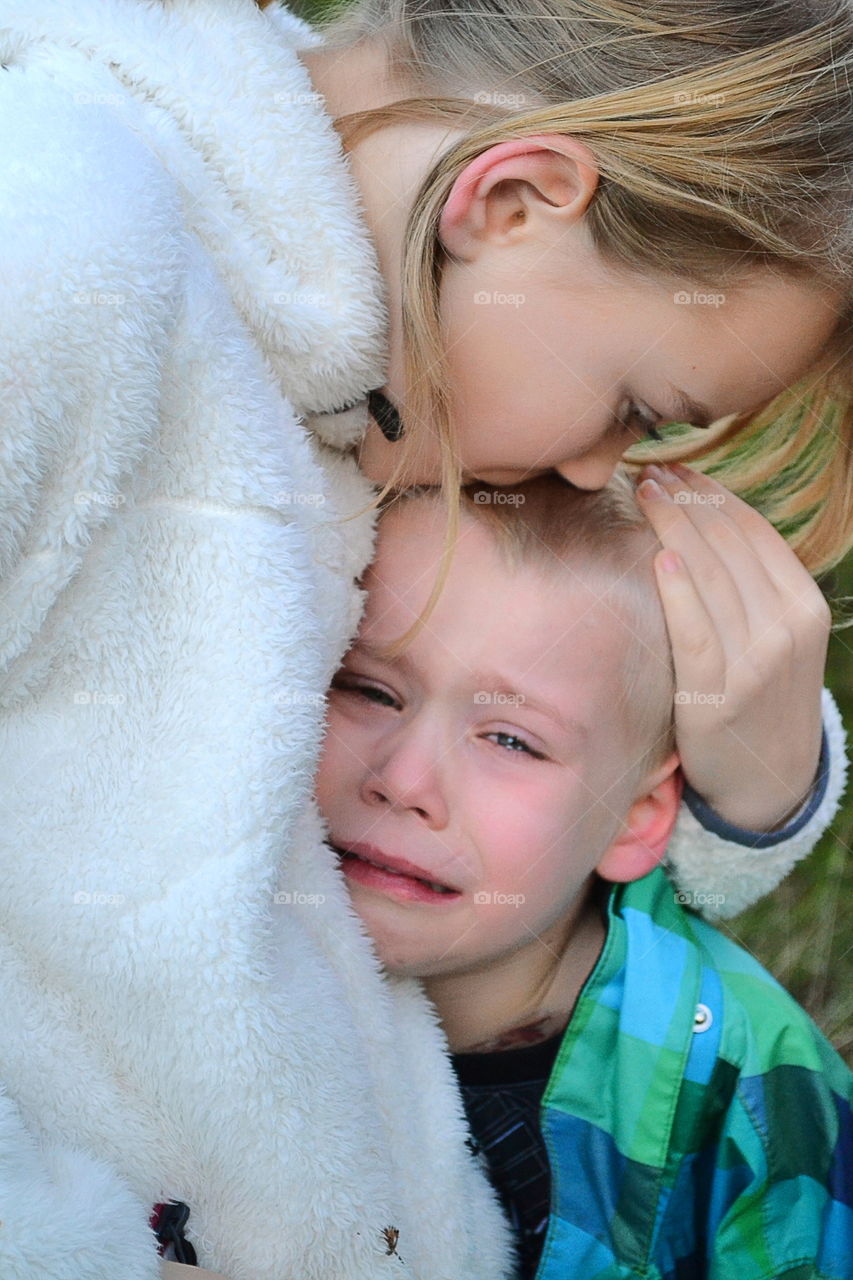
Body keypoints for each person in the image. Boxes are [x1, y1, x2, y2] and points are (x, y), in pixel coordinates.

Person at [0, 0, 850, 1275]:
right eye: (632, 406)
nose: (587, 468)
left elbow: (554, 737)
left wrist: (757, 776)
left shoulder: (365, 339)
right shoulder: (61, 256)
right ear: (508, 204)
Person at [315, 472, 852, 1280]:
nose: (402, 778)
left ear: (636, 818)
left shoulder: (746, 1093)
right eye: (369, 689)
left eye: (509, 741)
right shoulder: (179, 963)